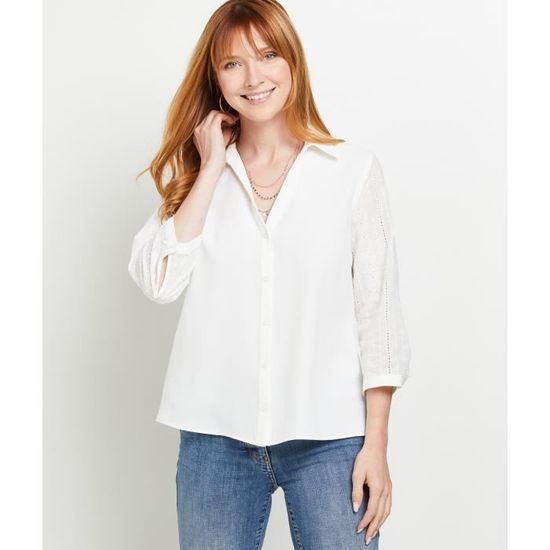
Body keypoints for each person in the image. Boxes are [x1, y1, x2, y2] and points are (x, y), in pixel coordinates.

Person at [127, 1, 411, 548]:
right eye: (232, 64)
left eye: (267, 55)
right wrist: (211, 167)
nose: (253, 78)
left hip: (330, 436)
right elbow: (159, 281)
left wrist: (376, 444)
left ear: (292, 61)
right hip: (215, 436)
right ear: (215, 78)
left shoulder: (351, 172)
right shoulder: (200, 177)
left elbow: (378, 318)